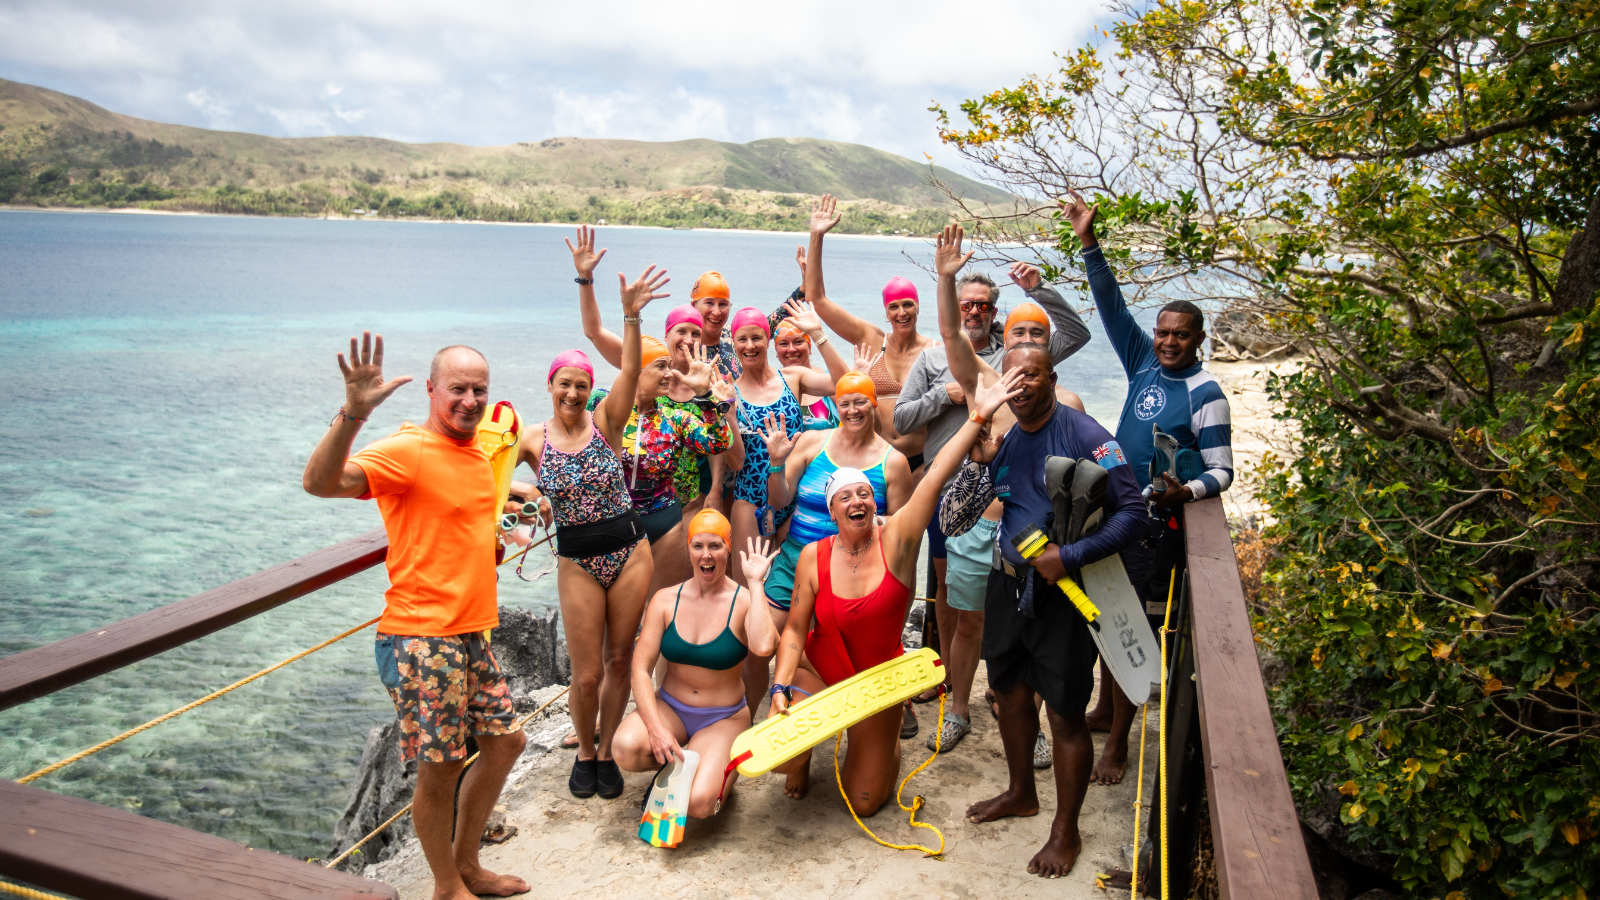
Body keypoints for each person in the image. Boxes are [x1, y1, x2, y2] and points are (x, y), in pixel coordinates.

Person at [302, 335, 528, 900]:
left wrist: (511, 513)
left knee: (505, 744)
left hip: (470, 631)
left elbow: (464, 511)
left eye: (479, 389)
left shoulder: (478, 450)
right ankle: (448, 885)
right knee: (442, 767)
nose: (470, 400)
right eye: (457, 389)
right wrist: (354, 412)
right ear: (432, 390)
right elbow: (320, 483)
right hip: (421, 635)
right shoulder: (408, 449)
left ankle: (468, 864)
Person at [933, 289, 1148, 876]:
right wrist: (978, 463)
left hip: (1060, 595)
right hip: (1007, 586)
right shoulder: (1002, 444)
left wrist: (1071, 554)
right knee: (1007, 694)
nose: (1022, 384)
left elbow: (1135, 514)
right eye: (1013, 377)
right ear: (1002, 382)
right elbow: (954, 522)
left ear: (1053, 376)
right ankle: (1022, 791)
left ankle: (1065, 830)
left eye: (1033, 374)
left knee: (1066, 715)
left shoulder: (1085, 434)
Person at [767, 368, 1027, 809]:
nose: (857, 503)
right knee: (780, 759)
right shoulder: (814, 554)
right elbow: (793, 631)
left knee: (864, 800)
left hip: (875, 680)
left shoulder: (899, 539)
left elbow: (935, 473)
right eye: (845, 498)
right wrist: (779, 688)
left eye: (864, 495)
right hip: (822, 666)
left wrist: (979, 416)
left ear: (876, 500)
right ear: (831, 510)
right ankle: (805, 758)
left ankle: (885, 742)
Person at [894, 226, 1092, 751]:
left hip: (1034, 534)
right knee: (969, 622)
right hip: (973, 523)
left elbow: (1090, 484)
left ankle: (1037, 722)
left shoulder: (1066, 404)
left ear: (1047, 354)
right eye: (1020, 337)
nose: (1025, 346)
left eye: (1036, 339)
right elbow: (952, 338)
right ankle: (958, 707)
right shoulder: (991, 380)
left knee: (1037, 627)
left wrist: (1038, 290)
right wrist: (943, 277)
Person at [1059, 190, 1233, 784]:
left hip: (1158, 531)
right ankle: (1107, 709)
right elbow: (1109, 306)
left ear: (1198, 339)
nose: (1167, 341)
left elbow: (1223, 471)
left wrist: (1188, 491)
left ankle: (1119, 743)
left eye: (1179, 335)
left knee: (1133, 627)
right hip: (1118, 515)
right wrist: (1089, 241)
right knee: (1109, 615)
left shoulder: (1207, 394)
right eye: (1162, 332)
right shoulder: (1142, 366)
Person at [517, 266, 669, 800]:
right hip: (578, 557)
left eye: (582, 385)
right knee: (584, 676)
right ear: (551, 385)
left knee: (620, 660)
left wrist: (631, 314)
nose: (574, 393)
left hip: (629, 550)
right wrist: (522, 501)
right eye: (566, 384)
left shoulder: (608, 421)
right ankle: (584, 747)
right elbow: (485, 477)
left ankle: (606, 753)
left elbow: (631, 367)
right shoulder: (531, 439)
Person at [612, 511, 781, 820]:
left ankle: (718, 771)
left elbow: (765, 645)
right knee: (625, 747)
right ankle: (685, 764)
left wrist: (756, 584)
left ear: (729, 549)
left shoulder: (743, 600)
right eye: (698, 545)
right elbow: (639, 670)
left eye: (715, 546)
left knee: (699, 804)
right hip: (671, 708)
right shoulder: (664, 600)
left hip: (723, 717)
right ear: (688, 549)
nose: (706, 555)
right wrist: (656, 730)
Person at [569, 225, 745, 521]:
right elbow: (594, 331)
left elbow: (717, 444)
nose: (689, 340)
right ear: (666, 335)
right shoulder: (644, 362)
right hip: (632, 499)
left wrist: (716, 489)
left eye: (696, 333)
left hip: (686, 499)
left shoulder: (710, 382)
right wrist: (585, 279)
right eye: (681, 332)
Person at [726, 299, 846, 713]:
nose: (750, 345)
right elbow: (735, 459)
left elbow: (846, 384)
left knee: (801, 605)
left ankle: (798, 695)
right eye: (742, 339)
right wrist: (723, 410)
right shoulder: (729, 391)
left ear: (768, 340)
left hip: (798, 499)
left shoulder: (791, 376)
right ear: (734, 341)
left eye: (757, 337)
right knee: (753, 605)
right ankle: (747, 708)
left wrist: (820, 335)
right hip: (750, 500)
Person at [800, 194, 940, 462]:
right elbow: (817, 299)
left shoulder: (934, 351)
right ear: (886, 312)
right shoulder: (872, 340)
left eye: (908, 304)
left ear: (918, 307)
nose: (902, 312)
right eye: (894, 307)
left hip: (923, 459)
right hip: (879, 459)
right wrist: (816, 237)